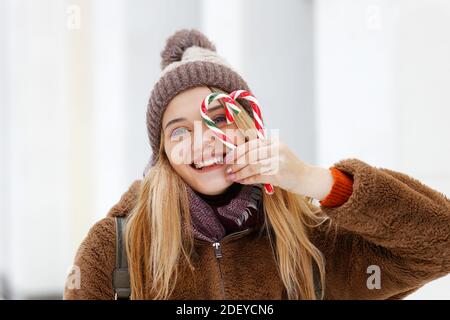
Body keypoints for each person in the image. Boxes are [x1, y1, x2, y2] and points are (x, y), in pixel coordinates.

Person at [64, 29, 450, 300]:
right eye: (179, 132)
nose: (204, 141)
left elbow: (441, 242)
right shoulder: (117, 249)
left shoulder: (311, 242)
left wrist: (317, 182)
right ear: (162, 155)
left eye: (218, 117)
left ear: (250, 122)